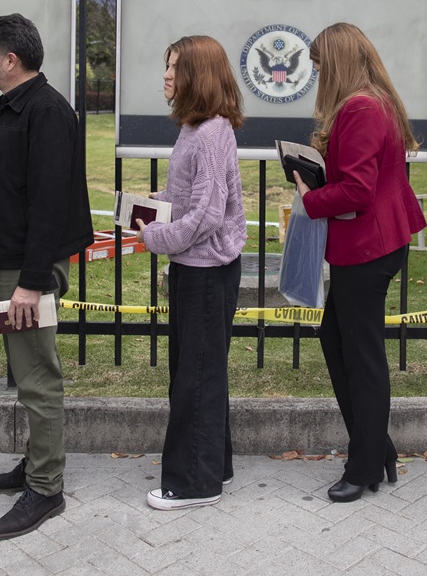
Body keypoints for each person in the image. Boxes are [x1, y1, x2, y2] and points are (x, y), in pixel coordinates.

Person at [0, 14, 94, 538]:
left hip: (27, 269)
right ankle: (36, 463)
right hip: (11, 262)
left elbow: (48, 202)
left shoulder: (45, 111)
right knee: (26, 372)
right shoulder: (16, 105)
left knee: (38, 376)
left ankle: (45, 488)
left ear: (10, 59)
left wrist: (31, 282)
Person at [294, 22, 426, 503]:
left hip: (369, 246)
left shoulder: (362, 107)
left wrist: (310, 196)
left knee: (363, 357)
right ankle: (377, 447)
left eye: (322, 66)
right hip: (374, 241)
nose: (319, 75)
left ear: (340, 62)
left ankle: (365, 464)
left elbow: (355, 190)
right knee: (339, 340)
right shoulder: (373, 101)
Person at [135, 35, 246, 511]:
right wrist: (151, 207)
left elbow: (206, 215)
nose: (166, 75)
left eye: (175, 67)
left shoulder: (210, 131)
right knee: (195, 371)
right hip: (192, 267)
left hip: (206, 270)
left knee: (195, 378)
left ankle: (195, 483)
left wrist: (154, 238)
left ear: (197, 76)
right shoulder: (195, 127)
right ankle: (213, 464)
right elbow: (188, 199)